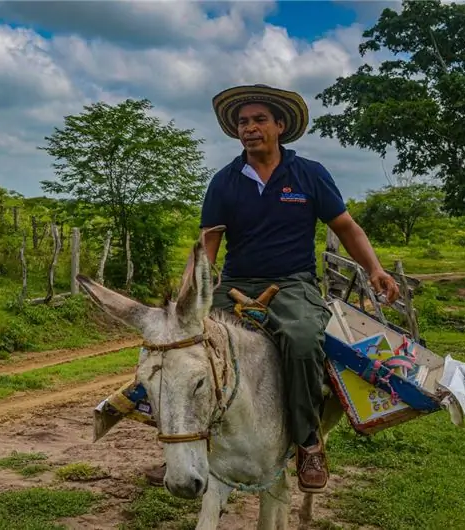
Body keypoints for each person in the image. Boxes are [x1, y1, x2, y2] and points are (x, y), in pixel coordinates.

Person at [143, 84, 400, 494]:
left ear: (280, 126)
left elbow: (346, 227)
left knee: (300, 341)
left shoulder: (309, 175)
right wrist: (184, 298)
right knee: (183, 344)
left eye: (259, 120)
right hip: (237, 284)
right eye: (243, 122)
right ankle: (179, 449)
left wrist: (375, 270)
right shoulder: (224, 182)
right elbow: (207, 246)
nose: (250, 128)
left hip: (293, 284)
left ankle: (309, 442)